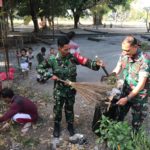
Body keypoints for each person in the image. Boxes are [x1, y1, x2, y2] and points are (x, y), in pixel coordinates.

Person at [36, 36, 104, 138]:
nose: (68, 51)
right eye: (65, 49)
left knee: (69, 108)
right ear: (59, 48)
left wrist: (97, 64)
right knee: (58, 109)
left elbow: (87, 62)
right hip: (59, 91)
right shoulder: (52, 59)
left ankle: (70, 126)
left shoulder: (73, 57)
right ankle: (57, 126)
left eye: (69, 49)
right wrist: (50, 75)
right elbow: (39, 68)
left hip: (71, 90)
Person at [112, 35, 150, 131]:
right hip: (126, 90)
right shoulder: (124, 54)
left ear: (135, 47)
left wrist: (127, 98)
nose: (125, 52)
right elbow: (118, 67)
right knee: (118, 115)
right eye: (123, 50)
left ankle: (134, 139)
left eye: (127, 50)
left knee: (136, 123)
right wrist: (111, 76)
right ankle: (116, 134)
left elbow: (141, 85)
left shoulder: (144, 59)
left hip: (139, 95)